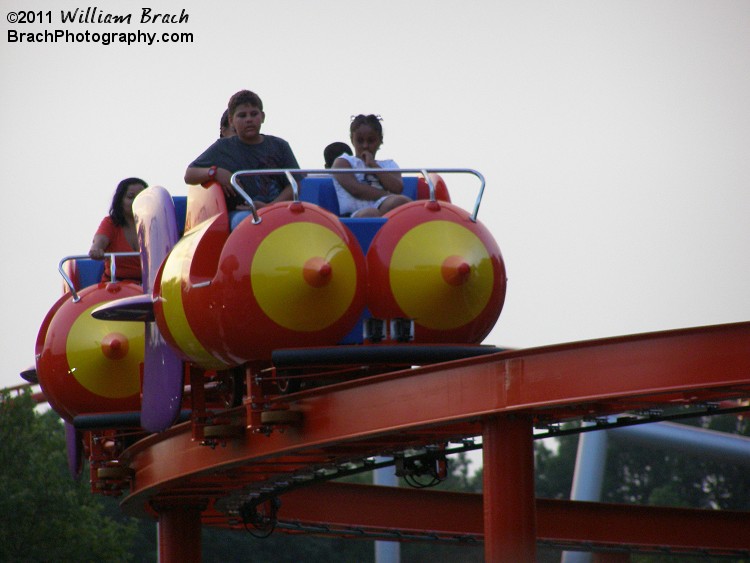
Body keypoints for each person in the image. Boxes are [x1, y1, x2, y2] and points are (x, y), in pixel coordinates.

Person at [185, 90, 301, 228]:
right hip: (242, 213)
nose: (249, 119)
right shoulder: (223, 147)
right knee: (245, 221)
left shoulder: (279, 146)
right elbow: (189, 174)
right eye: (242, 115)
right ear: (231, 120)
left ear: (262, 117)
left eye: (254, 114)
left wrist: (269, 207)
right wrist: (215, 172)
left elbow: (295, 183)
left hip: (278, 209)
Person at [331, 114, 410, 217]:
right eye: (360, 141)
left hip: (383, 207)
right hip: (355, 214)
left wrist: (373, 165)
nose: (365, 146)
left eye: (371, 141)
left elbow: (397, 188)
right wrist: (387, 195)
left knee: (399, 202)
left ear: (380, 140)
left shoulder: (389, 164)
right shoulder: (343, 162)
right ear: (352, 140)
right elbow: (356, 190)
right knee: (371, 213)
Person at [89, 177, 147, 282]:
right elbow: (99, 242)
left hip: (151, 287)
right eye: (131, 197)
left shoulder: (155, 224)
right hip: (116, 287)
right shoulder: (110, 223)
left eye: (141, 197)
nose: (136, 201)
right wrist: (96, 249)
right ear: (120, 201)